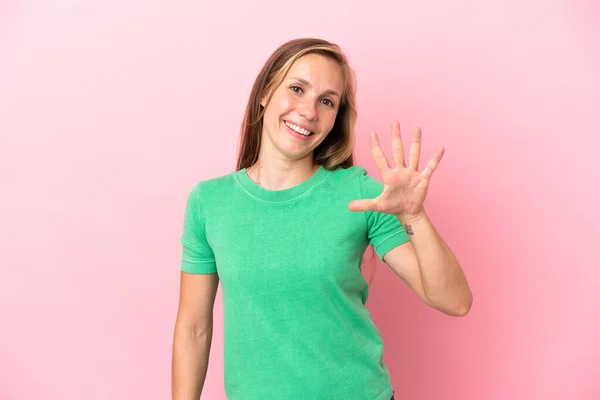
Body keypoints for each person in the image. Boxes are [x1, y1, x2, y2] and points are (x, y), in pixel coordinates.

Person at [171, 38, 472, 400]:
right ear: (266, 92)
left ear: (335, 118)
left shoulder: (360, 194)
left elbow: (454, 301)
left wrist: (415, 215)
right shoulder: (210, 202)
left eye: (326, 101)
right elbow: (193, 328)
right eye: (297, 89)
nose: (309, 111)